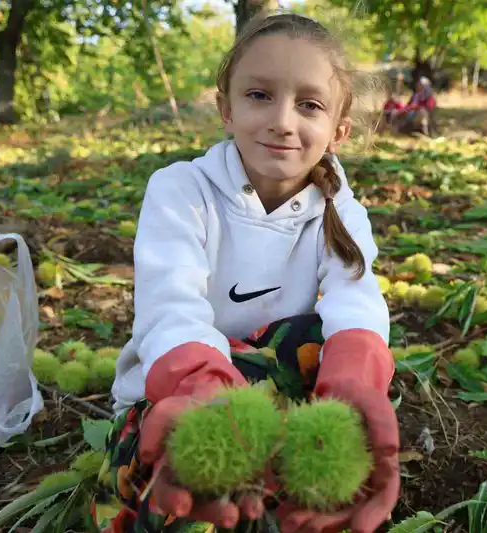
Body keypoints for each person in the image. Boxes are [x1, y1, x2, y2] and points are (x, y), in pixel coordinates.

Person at [90, 12, 400, 533]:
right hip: (184, 385)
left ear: (338, 130)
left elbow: (357, 299)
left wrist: (351, 386)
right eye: (259, 95)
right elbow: (172, 307)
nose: (283, 120)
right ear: (225, 109)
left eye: (309, 104)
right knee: (159, 503)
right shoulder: (179, 190)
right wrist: (200, 387)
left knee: (330, 336)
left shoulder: (342, 211)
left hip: (279, 380)